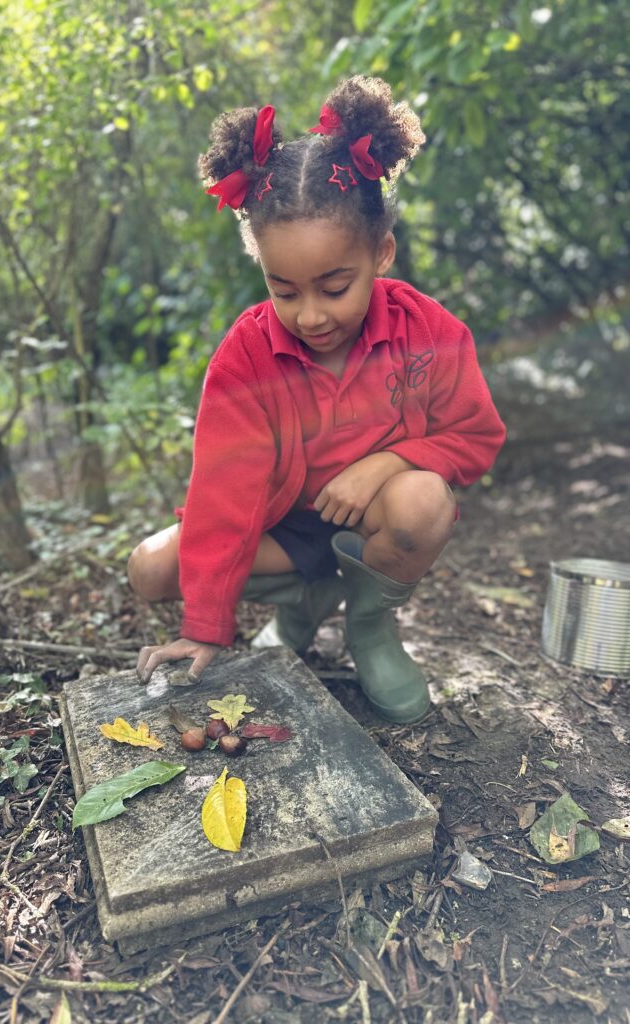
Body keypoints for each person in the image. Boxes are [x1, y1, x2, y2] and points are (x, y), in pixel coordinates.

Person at [128, 76, 505, 723]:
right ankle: (305, 604)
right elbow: (226, 486)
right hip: (288, 524)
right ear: (262, 270)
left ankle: (369, 626)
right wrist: (208, 625)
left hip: (374, 520)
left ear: (380, 253)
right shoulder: (246, 355)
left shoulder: (431, 333)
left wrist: (386, 463)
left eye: (334, 287)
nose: (310, 314)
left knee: (423, 499)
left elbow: (475, 438)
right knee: (151, 570)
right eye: (285, 290)